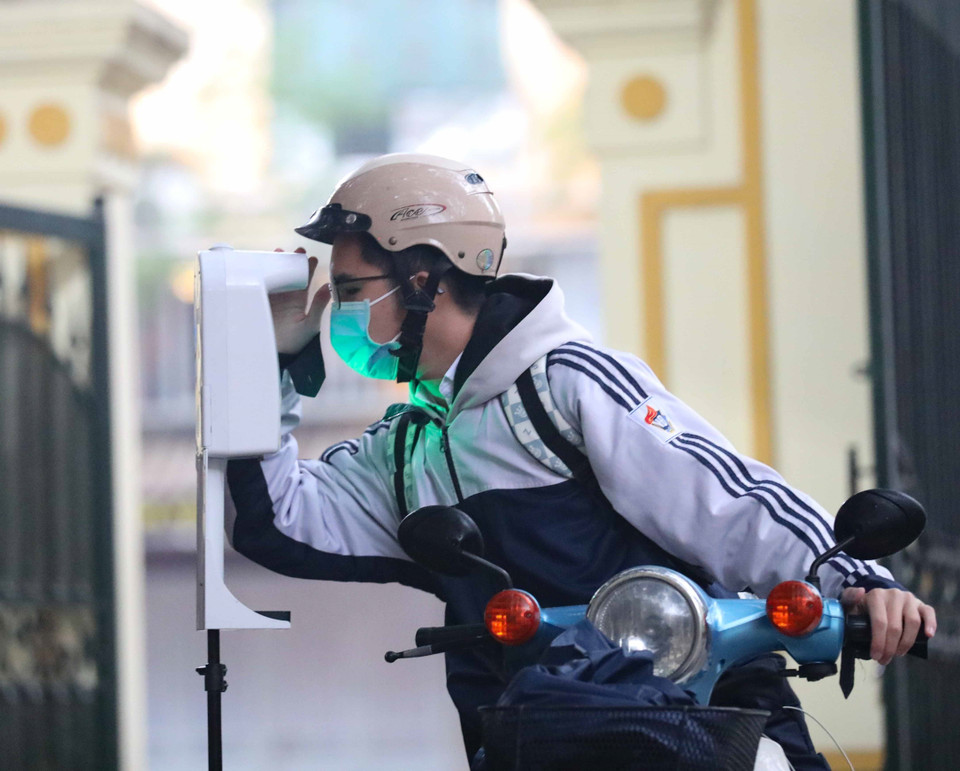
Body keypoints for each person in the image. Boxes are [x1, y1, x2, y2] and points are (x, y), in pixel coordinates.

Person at [225, 153, 936, 768]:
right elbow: (279, 520)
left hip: (695, 725)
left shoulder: (567, 383)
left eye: (352, 291)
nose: (338, 313)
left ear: (422, 279)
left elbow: (727, 498)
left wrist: (855, 580)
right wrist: (271, 366)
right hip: (535, 742)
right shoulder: (408, 445)